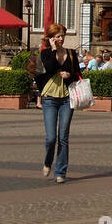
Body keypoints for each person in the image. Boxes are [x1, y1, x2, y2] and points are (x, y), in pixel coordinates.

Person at [38, 23, 78, 183]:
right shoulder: (45, 53)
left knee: (63, 136)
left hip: (67, 97)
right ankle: (48, 161)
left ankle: (60, 171)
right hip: (49, 98)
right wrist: (54, 50)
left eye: (62, 36)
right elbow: (48, 69)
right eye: (57, 36)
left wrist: (70, 75)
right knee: (51, 138)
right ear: (51, 38)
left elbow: (78, 74)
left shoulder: (71, 53)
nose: (61, 39)